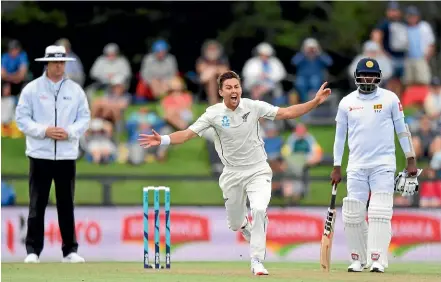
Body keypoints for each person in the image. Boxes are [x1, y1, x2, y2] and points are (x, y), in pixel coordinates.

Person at [138, 70, 331, 275]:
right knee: (235, 223)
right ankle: (245, 226)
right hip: (232, 174)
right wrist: (164, 140)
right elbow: (187, 134)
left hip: (258, 171)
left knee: (258, 209)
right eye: (228, 87)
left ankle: (256, 261)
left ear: (241, 89)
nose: (234, 91)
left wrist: (314, 102)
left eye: (236, 87)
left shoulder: (253, 106)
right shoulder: (213, 113)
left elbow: (287, 112)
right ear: (221, 92)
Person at [330, 58, 422, 273]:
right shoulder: (346, 102)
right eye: (363, 75)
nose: (367, 78)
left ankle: (378, 259)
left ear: (379, 76)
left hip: (383, 163)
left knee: (380, 211)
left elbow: (402, 129)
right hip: (356, 165)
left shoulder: (390, 98)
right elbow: (339, 137)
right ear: (357, 76)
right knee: (353, 212)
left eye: (371, 75)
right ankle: (357, 259)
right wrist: (336, 166)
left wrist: (410, 159)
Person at [15, 45, 91, 263]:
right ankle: (32, 251)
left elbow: (84, 118)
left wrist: (70, 133)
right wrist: (44, 131)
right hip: (40, 154)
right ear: (46, 63)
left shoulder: (75, 90)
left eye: (62, 62)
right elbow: (22, 119)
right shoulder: (32, 89)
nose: (59, 66)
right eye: (56, 62)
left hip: (66, 155)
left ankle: (70, 250)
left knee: (66, 204)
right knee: (36, 204)